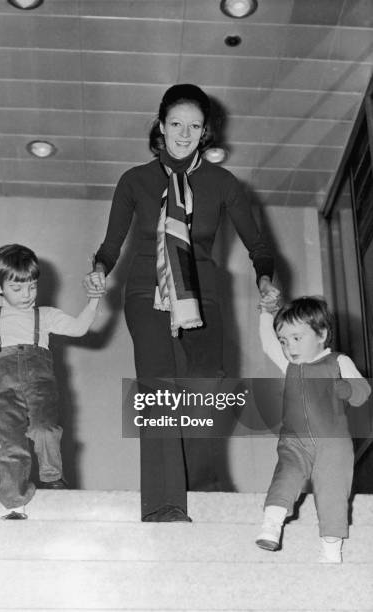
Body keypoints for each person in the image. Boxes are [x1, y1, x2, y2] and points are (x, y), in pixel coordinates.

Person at [84, 83, 279, 522]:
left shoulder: (223, 184)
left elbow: (259, 246)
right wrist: (99, 269)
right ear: (161, 126)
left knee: (206, 388)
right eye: (176, 124)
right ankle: (164, 504)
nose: (184, 134)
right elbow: (112, 243)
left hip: (203, 293)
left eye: (194, 126)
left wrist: (265, 279)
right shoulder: (135, 180)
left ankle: (201, 483)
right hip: (144, 291)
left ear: (206, 131)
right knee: (158, 390)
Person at [0, 244, 103, 519]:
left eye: (32, 286)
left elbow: (79, 327)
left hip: (40, 384)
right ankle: (15, 505)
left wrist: (95, 299)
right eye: (18, 288)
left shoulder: (46, 315)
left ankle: (52, 476)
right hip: (4, 389)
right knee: (12, 445)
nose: (27, 295)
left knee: (44, 430)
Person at [256, 296, 371, 562]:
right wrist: (265, 313)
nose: (289, 347)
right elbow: (267, 344)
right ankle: (271, 526)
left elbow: (363, 391)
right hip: (294, 440)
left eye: (297, 338)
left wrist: (346, 388)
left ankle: (331, 551)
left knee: (332, 493)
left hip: (333, 444)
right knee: (286, 476)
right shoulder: (290, 366)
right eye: (284, 341)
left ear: (322, 334)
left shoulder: (337, 362)